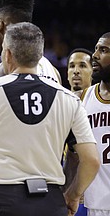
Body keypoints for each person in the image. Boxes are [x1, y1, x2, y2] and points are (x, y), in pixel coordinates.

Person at [0, 22, 100, 216]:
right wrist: (73, 195)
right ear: (40, 56)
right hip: (50, 201)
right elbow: (91, 160)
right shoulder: (69, 99)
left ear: (8, 54)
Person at [0, 0, 62, 188]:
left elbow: (1, 125)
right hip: (50, 173)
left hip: (15, 177)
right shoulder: (54, 71)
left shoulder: (6, 69)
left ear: (0, 25)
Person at [81, 32, 110, 216]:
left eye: (104, 50)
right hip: (97, 200)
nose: (95, 55)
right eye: (96, 49)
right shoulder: (84, 97)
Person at [64, 48, 94, 216]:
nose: (76, 70)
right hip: (65, 190)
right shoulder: (57, 103)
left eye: (82, 65)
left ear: (92, 71)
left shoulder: (98, 106)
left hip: (93, 193)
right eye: (72, 66)